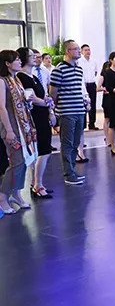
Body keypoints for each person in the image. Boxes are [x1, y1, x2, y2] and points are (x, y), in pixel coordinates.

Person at [0, 50, 37, 214]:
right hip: (12, 126)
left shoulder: (16, 80)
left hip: (22, 125)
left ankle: (16, 193)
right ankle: (3, 197)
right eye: (16, 60)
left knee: (24, 161)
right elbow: (2, 108)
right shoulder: (2, 81)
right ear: (7, 63)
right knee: (16, 162)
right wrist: (8, 130)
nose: (19, 62)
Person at [17, 48, 53, 200]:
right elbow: (30, 97)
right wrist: (45, 103)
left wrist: (49, 107)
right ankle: (37, 185)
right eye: (32, 56)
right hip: (34, 117)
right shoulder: (21, 77)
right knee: (42, 151)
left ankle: (37, 183)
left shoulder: (34, 76)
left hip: (42, 115)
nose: (36, 58)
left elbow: (43, 95)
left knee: (44, 150)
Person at [50, 40, 87, 186]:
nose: (79, 51)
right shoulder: (59, 70)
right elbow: (53, 93)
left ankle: (72, 169)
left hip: (79, 110)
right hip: (66, 112)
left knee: (76, 142)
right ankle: (68, 174)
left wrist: (84, 101)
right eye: (75, 49)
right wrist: (53, 112)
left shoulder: (79, 69)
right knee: (67, 143)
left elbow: (78, 89)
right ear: (67, 51)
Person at [79, 44, 99, 131]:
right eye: (85, 50)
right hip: (83, 85)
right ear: (81, 51)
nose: (88, 52)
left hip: (92, 84)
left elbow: (95, 72)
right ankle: (83, 124)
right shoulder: (79, 62)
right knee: (83, 104)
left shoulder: (93, 61)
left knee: (93, 104)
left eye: (89, 50)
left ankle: (92, 123)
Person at [96, 62, 111, 151]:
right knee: (107, 119)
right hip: (107, 98)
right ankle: (107, 137)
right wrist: (104, 89)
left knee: (113, 119)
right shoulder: (103, 76)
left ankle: (113, 138)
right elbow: (97, 88)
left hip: (114, 98)